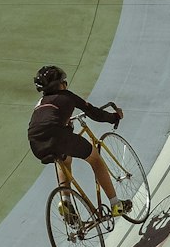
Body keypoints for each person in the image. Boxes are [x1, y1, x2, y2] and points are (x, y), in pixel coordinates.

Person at [28, 65, 131, 217]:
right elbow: (94, 113)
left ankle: (65, 201)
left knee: (64, 159)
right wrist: (114, 117)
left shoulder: (41, 102)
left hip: (35, 142)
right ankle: (116, 204)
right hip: (57, 136)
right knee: (95, 158)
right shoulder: (66, 96)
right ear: (61, 84)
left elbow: (46, 123)